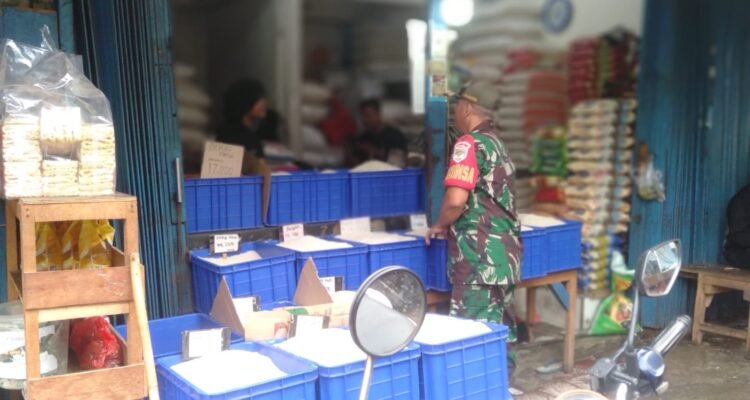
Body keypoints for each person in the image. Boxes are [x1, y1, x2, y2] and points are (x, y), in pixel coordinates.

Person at [425, 85, 523, 372]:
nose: (453, 112)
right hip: (505, 258)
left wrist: (439, 224)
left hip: (479, 259)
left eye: (456, 105)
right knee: (500, 333)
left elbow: (456, 201)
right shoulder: (498, 145)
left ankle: (481, 389)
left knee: (472, 337)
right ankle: (502, 386)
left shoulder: (469, 144)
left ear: (466, 107)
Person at [216, 79, 282, 158]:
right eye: (258, 99)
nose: (264, 103)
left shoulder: (255, 131)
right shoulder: (232, 136)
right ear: (245, 102)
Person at [346, 99, 408, 167]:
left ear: (378, 113)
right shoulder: (362, 138)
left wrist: (374, 151)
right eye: (363, 116)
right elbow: (354, 166)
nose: (365, 120)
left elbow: (398, 164)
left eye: (368, 115)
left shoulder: (395, 136)